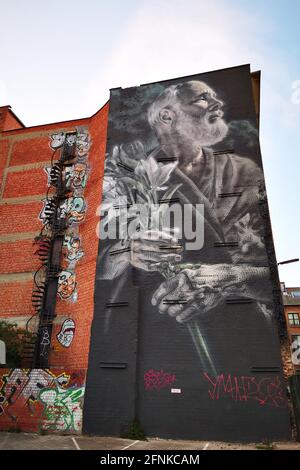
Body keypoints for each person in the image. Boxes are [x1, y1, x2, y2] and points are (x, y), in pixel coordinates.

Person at [99, 80, 273, 327]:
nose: (217, 103)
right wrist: (126, 249)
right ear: (167, 117)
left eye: (214, 96)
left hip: (243, 328)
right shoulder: (129, 178)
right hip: (163, 325)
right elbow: (98, 269)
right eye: (203, 98)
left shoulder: (245, 172)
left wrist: (228, 278)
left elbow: (270, 275)